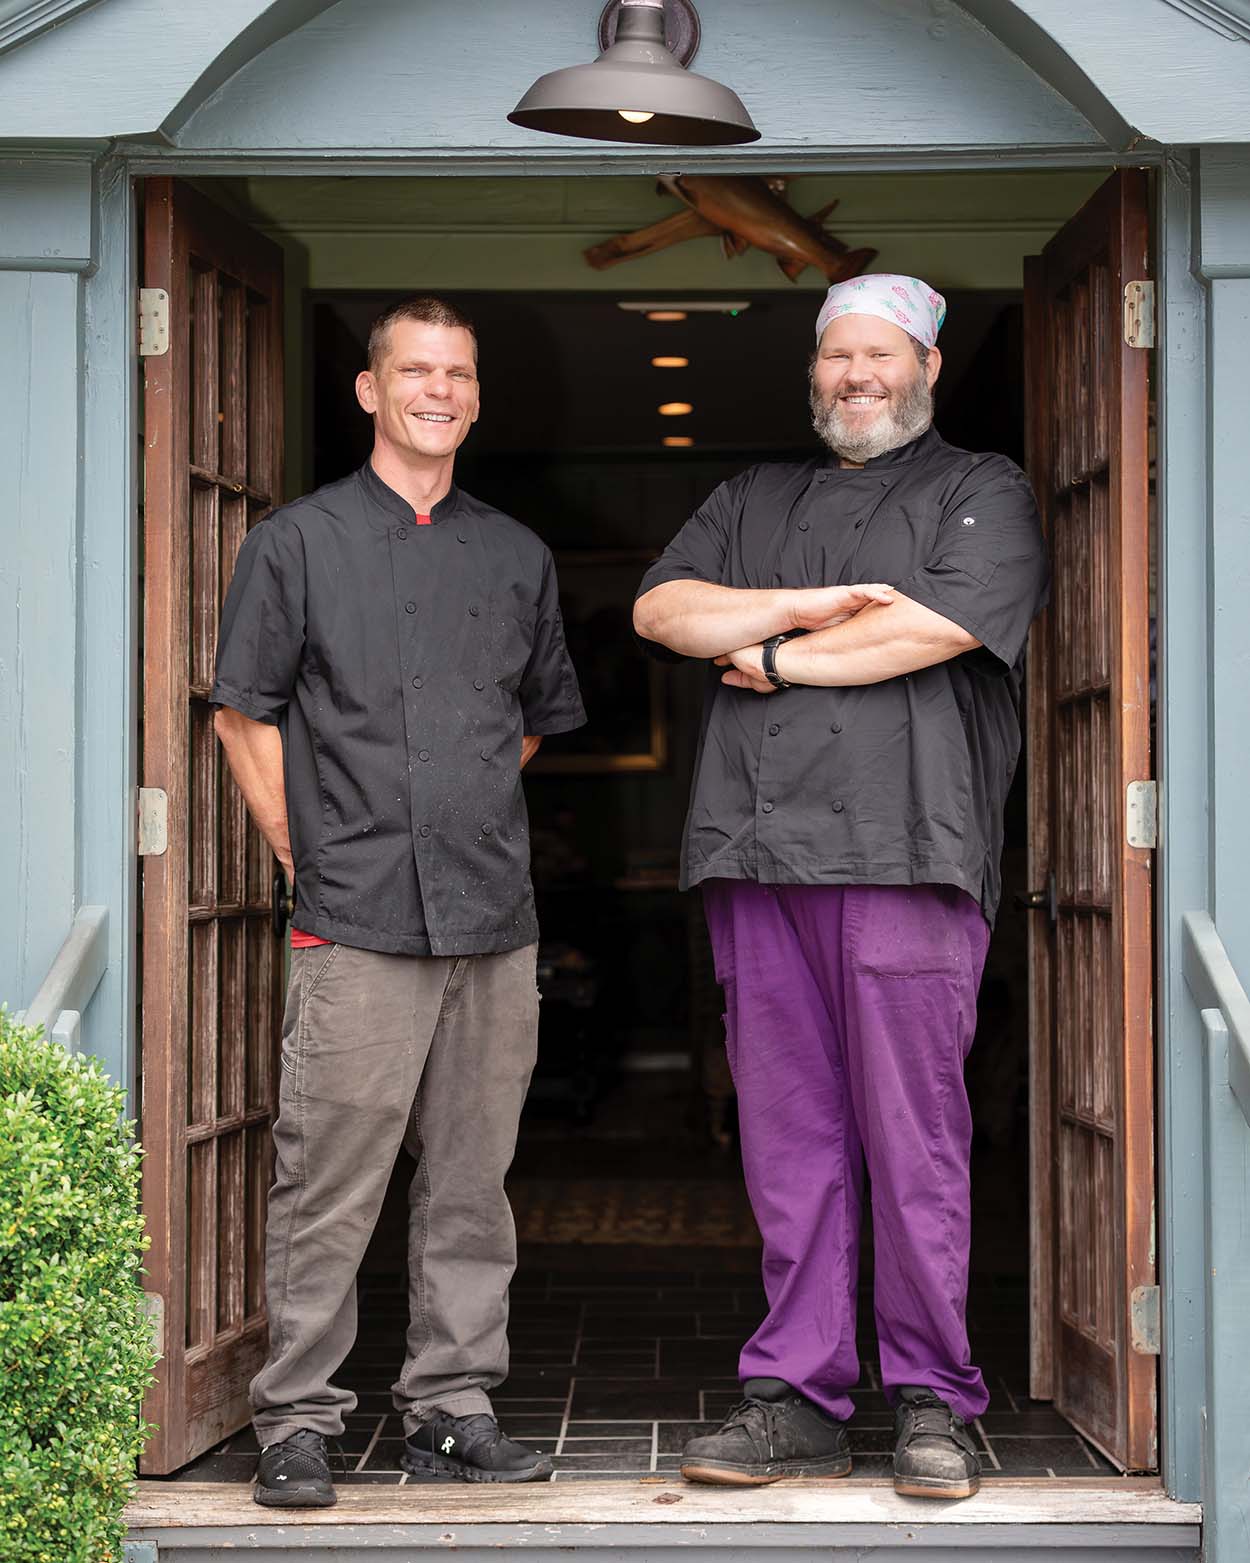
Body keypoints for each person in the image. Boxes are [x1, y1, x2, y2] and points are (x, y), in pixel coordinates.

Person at [633, 274, 1048, 1499]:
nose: (857, 376)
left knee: (911, 1139)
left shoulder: (981, 489)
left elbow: (928, 630)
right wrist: (807, 609)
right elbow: (662, 611)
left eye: (881, 355)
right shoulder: (750, 497)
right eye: (836, 356)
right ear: (812, 370)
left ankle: (931, 1398)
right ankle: (794, 1397)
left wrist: (765, 653)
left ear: (926, 366)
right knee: (788, 1140)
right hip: (756, 854)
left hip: (908, 849)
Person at [212, 296, 585, 1507]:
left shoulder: (515, 552)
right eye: (416, 370)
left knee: (472, 1181)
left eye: (458, 373)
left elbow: (529, 722)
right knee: (330, 1180)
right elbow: (242, 715)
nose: (440, 390)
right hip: (355, 909)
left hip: (492, 913)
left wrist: (458, 808)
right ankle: (295, 1421)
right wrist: (302, 849)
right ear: (370, 390)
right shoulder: (296, 542)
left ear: (475, 395)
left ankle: (450, 1410)